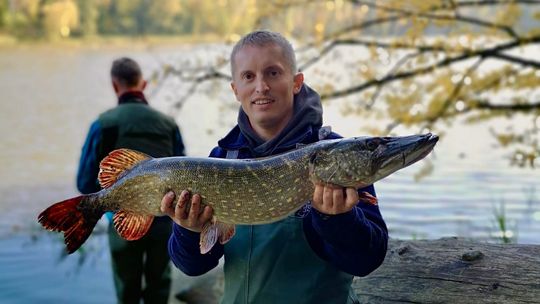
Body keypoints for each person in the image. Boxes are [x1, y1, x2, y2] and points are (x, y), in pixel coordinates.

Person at [160, 30, 388, 304]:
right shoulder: (222, 159)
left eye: (273, 73)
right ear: (235, 90)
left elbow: (366, 261)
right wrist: (189, 229)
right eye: (248, 76)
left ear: (296, 82)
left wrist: (338, 220)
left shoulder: (337, 156)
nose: (261, 87)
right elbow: (193, 266)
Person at [77, 57, 185, 304]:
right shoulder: (168, 123)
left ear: (115, 86)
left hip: (122, 219)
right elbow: (185, 171)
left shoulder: (103, 123)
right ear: (143, 84)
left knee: (127, 289)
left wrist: (112, 204)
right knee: (160, 283)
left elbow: (85, 183)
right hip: (165, 217)